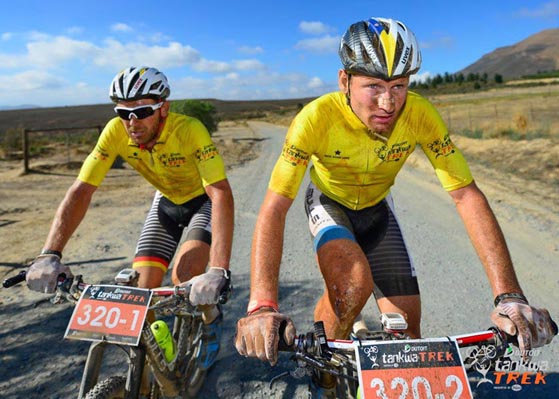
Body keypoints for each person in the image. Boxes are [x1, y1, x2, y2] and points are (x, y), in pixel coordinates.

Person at [234, 17, 556, 396]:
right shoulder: (315, 119)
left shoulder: (420, 114)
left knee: (410, 341)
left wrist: (510, 296)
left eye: (399, 86)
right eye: (373, 86)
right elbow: (274, 207)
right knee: (351, 286)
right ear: (344, 81)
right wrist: (261, 305)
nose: (388, 103)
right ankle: (321, 371)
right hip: (329, 202)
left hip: (376, 209)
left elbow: (466, 195)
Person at [26, 66, 234, 371]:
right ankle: (162, 357)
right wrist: (49, 253)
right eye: (123, 112)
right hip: (165, 203)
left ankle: (210, 320)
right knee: (139, 291)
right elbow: (81, 189)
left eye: (143, 111)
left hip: (202, 203)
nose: (132, 122)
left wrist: (218, 270)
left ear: (164, 108)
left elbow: (221, 195)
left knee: (186, 274)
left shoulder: (189, 130)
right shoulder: (115, 131)